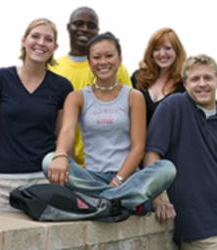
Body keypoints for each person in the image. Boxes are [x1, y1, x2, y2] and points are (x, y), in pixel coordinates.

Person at [42, 32, 176, 214]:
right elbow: (67, 132)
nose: (103, 62)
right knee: (48, 161)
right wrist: (60, 155)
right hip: (91, 177)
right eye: (96, 57)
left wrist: (119, 180)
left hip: (128, 176)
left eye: (109, 56)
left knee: (167, 168)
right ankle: (123, 200)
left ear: (119, 59)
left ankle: (100, 200)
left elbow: (138, 147)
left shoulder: (133, 96)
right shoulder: (77, 97)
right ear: (89, 63)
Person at [144, 54, 217, 249]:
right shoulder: (173, 107)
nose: (202, 84)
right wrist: (158, 196)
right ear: (185, 84)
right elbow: (151, 154)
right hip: (202, 230)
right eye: (195, 79)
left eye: (208, 78)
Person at [0, 18, 73, 213]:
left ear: (55, 47)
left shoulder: (62, 87)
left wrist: (62, 157)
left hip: (44, 181)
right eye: (35, 36)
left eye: (48, 39)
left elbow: (64, 131)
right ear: (24, 40)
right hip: (1, 183)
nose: (41, 43)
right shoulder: (1, 79)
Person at [50, 6, 132, 165]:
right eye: (78, 23)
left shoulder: (116, 69)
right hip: (68, 163)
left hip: (112, 163)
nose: (84, 29)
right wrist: (62, 155)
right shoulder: (53, 67)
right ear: (68, 27)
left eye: (91, 25)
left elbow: (129, 116)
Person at [131, 27, 186, 125]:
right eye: (156, 49)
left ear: (177, 51)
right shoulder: (138, 78)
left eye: (167, 48)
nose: (162, 54)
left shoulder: (185, 85)